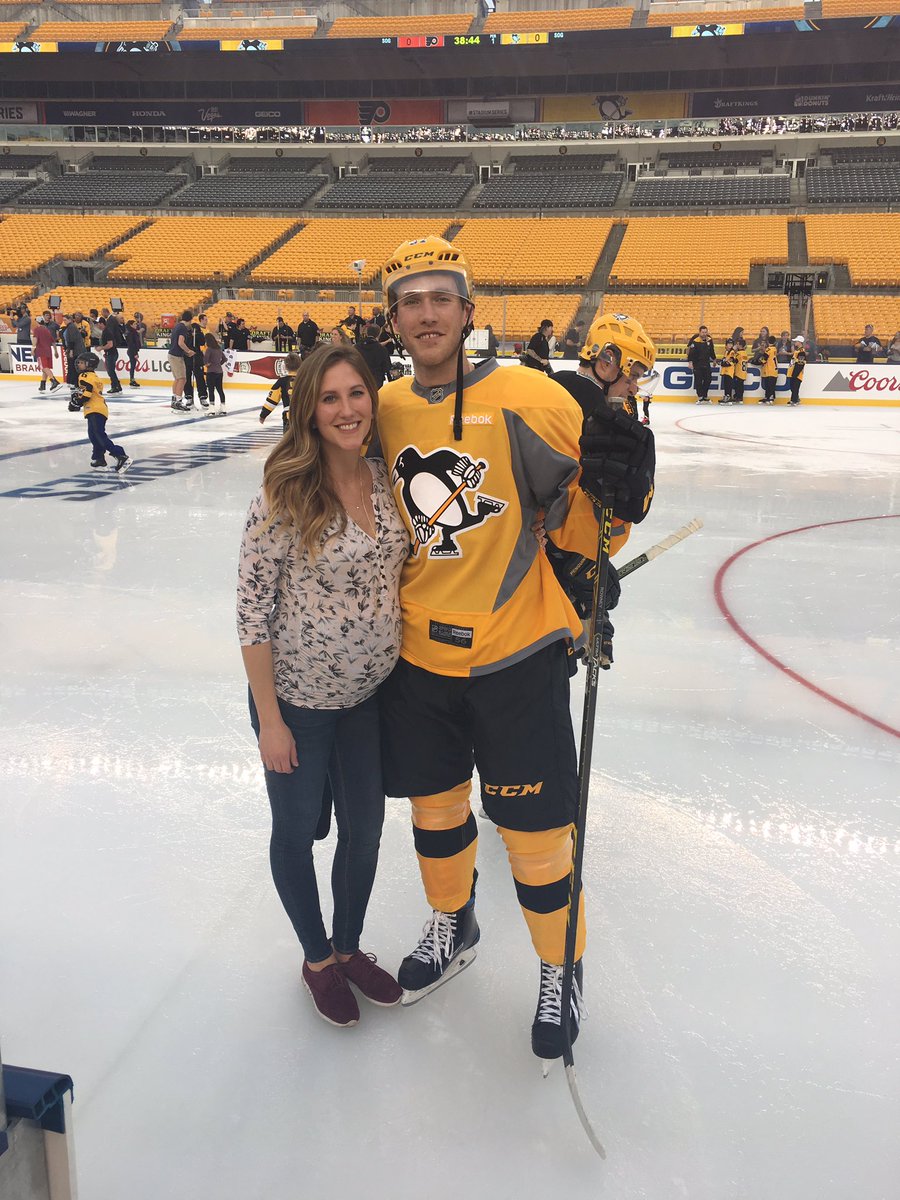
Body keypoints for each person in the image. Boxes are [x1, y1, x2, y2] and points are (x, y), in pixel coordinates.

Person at [373, 237, 654, 1062]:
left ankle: (560, 966)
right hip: (416, 657)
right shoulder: (381, 409)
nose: (427, 312)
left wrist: (619, 496)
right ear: (393, 319)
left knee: (535, 837)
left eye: (441, 297)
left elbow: (589, 522)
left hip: (516, 655)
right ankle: (453, 922)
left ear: (467, 311)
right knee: (434, 813)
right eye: (410, 300)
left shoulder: (532, 397)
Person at [236, 343, 409, 1028]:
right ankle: (316, 959)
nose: (346, 409)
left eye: (356, 393)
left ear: (373, 398)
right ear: (309, 410)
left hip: (367, 699)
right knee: (296, 831)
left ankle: (348, 946)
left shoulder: (389, 479)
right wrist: (271, 721)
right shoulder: (283, 496)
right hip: (298, 704)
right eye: (330, 398)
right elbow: (252, 612)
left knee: (364, 830)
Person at [551, 311, 658, 667]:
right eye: (633, 375)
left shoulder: (611, 407)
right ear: (607, 361)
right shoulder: (569, 401)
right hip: (544, 577)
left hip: (570, 566)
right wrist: (573, 562)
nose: (635, 387)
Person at [67, 351, 132, 473]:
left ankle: (120, 455)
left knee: (98, 435)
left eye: (81, 363)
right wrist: (78, 400)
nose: (78, 365)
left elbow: (87, 393)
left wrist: (77, 402)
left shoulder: (84, 376)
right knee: (94, 435)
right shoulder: (93, 376)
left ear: (89, 364)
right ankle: (98, 458)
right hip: (98, 409)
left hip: (95, 409)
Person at [259, 352, 301, 429]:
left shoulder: (281, 381)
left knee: (289, 437)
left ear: (285, 366)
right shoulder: (306, 380)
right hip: (305, 416)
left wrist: (263, 415)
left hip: (289, 417)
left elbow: (271, 401)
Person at [168, 309, 194, 412]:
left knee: (178, 379)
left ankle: (174, 399)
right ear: (190, 320)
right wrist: (188, 351)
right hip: (176, 356)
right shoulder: (183, 328)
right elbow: (180, 342)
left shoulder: (177, 326)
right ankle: (178, 401)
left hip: (172, 354)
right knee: (182, 379)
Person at [183, 312, 208, 411]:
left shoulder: (199, 333)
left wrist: (198, 335)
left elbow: (202, 342)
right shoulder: (186, 333)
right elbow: (183, 343)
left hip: (197, 357)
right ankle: (189, 396)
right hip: (187, 357)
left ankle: (203, 397)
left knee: (200, 377)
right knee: (187, 377)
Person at [357, 323, 393, 388]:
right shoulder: (382, 349)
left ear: (367, 333)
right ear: (378, 334)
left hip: (360, 379)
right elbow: (387, 367)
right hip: (376, 381)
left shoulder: (357, 347)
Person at [687, 325, 715, 404]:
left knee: (708, 379)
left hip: (706, 363)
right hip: (697, 363)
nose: (704, 334)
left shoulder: (709, 340)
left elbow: (712, 351)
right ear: (699, 332)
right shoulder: (695, 341)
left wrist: (714, 359)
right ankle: (700, 396)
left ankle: (705, 396)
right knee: (698, 381)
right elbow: (691, 353)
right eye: (703, 332)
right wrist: (690, 362)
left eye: (706, 332)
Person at [32, 317, 61, 393]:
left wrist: (33, 348)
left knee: (44, 368)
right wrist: (55, 351)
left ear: (37, 322)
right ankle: (42, 385)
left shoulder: (37, 329)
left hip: (41, 351)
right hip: (48, 351)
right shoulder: (46, 330)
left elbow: (35, 339)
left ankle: (54, 381)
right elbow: (53, 341)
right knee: (45, 368)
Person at [100, 313, 124, 395]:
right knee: (111, 371)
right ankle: (117, 386)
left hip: (111, 354)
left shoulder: (107, 332)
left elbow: (110, 345)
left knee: (111, 371)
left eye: (98, 324)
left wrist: (101, 348)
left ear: (101, 324)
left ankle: (115, 387)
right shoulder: (106, 331)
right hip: (111, 353)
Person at [203, 333, 227, 416]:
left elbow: (205, 360)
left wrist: (207, 364)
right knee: (220, 389)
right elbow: (225, 359)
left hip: (211, 372)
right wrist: (219, 364)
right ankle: (223, 407)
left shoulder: (209, 349)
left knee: (211, 390)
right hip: (219, 372)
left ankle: (212, 408)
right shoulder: (218, 349)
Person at [61, 313, 86, 387]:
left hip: (76, 350)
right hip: (76, 350)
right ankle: (73, 382)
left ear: (70, 320)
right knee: (73, 366)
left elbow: (72, 340)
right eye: (63, 320)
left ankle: (75, 383)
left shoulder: (71, 327)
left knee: (74, 367)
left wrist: (71, 351)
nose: (64, 321)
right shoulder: (70, 327)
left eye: (65, 320)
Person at [759, 335, 778, 404]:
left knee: (769, 384)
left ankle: (770, 397)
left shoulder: (768, 349)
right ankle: (768, 396)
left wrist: (758, 361)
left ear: (767, 341)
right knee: (770, 384)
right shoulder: (775, 349)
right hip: (774, 369)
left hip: (770, 369)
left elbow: (764, 358)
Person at [788, 335, 806, 406]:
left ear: (799, 342)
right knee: (793, 386)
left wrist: (795, 374)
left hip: (797, 373)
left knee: (795, 387)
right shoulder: (797, 351)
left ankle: (794, 400)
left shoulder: (801, 352)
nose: (795, 342)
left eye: (796, 341)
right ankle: (795, 399)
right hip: (793, 371)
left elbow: (800, 363)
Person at [124, 319, 142, 388]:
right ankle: (132, 380)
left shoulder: (133, 332)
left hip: (133, 351)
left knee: (133, 366)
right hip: (132, 351)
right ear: (131, 325)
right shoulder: (131, 333)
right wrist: (135, 353)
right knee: (132, 366)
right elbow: (131, 344)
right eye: (134, 324)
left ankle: (132, 380)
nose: (136, 325)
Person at [732, 337, 749, 405]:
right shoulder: (745, 353)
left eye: (737, 344)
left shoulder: (738, 353)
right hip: (743, 372)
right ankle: (740, 397)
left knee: (738, 386)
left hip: (738, 372)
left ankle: (738, 397)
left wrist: (733, 350)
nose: (736, 345)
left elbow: (734, 361)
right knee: (741, 385)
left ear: (740, 345)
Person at [719, 337, 735, 404]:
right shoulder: (726, 352)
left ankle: (728, 396)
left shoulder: (732, 352)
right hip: (725, 371)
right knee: (725, 384)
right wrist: (722, 362)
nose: (730, 345)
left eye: (731, 344)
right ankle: (726, 395)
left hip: (729, 371)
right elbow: (723, 359)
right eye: (728, 343)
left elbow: (731, 360)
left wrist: (724, 363)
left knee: (729, 384)